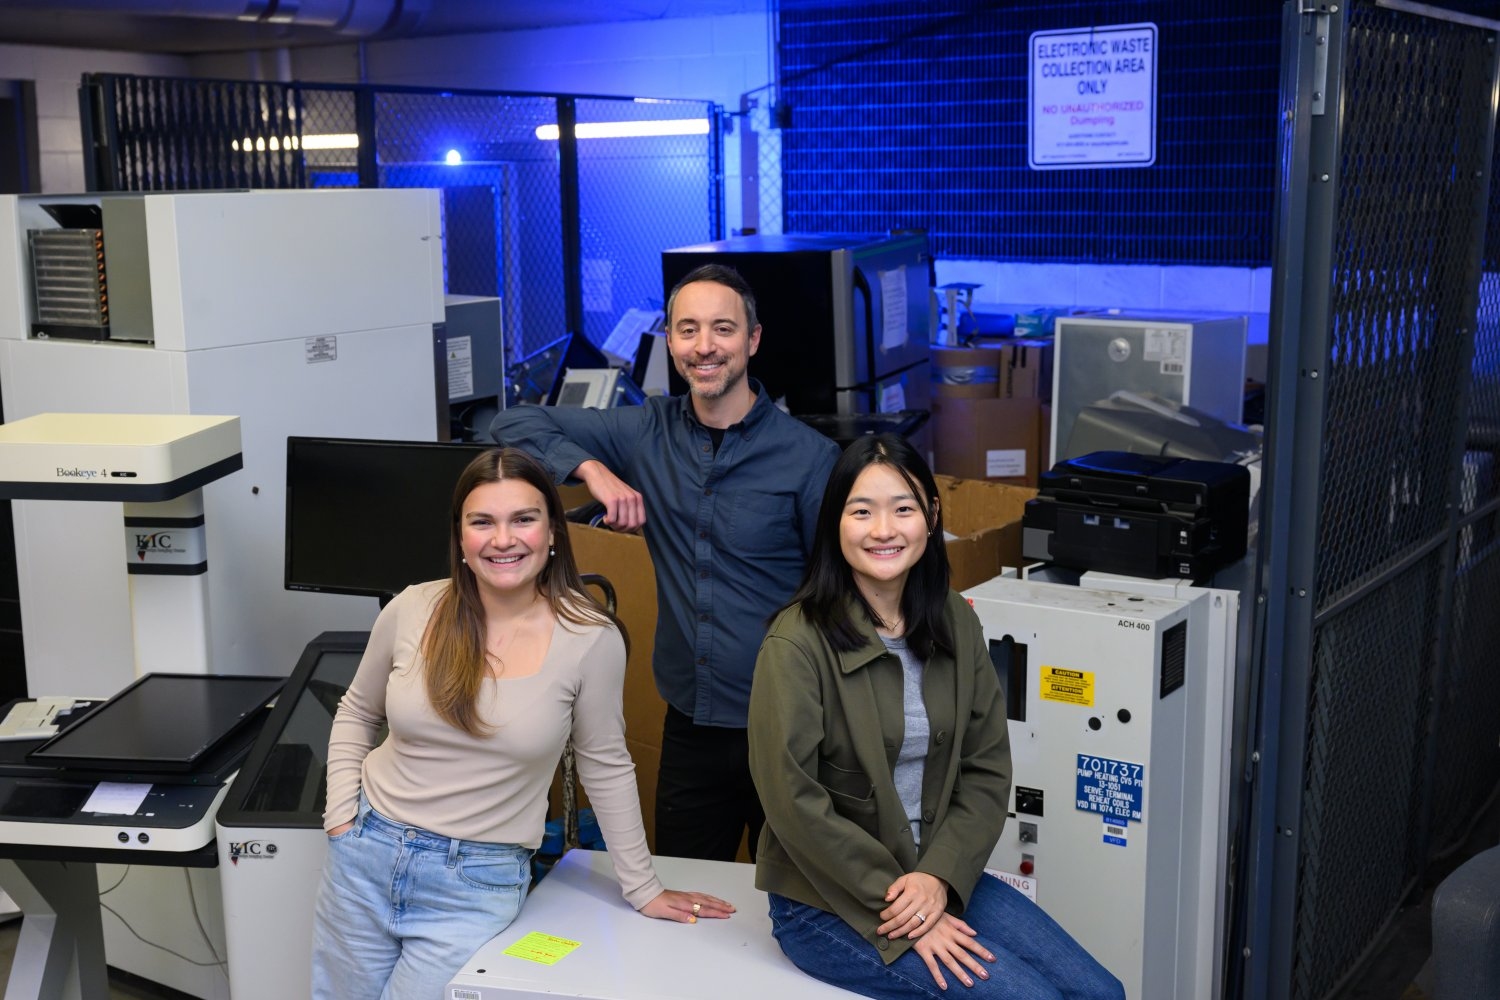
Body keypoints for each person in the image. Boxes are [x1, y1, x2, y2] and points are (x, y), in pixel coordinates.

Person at [311, 447, 734, 1000]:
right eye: (482, 521)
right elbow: (357, 711)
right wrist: (341, 814)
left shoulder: (590, 639)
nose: (502, 539)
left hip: (474, 882)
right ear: (460, 537)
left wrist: (642, 886)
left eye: (524, 519)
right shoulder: (413, 608)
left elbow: (605, 764)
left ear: (554, 531)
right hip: (363, 857)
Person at [748, 434, 1124, 1000]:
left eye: (903, 508)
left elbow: (986, 767)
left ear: (931, 517)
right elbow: (792, 802)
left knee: (1104, 993)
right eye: (861, 511)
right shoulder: (796, 643)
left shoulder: (953, 617)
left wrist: (938, 878)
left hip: (935, 874)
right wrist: (902, 899)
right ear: (835, 523)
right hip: (827, 900)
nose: (883, 529)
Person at [489, 263, 840, 862]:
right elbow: (510, 422)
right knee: (686, 900)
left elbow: (837, 596)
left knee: (792, 909)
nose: (705, 346)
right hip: (691, 726)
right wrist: (593, 471)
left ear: (752, 340)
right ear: (670, 341)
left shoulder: (811, 460)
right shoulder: (645, 431)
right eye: (688, 329)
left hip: (786, 729)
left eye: (723, 329)